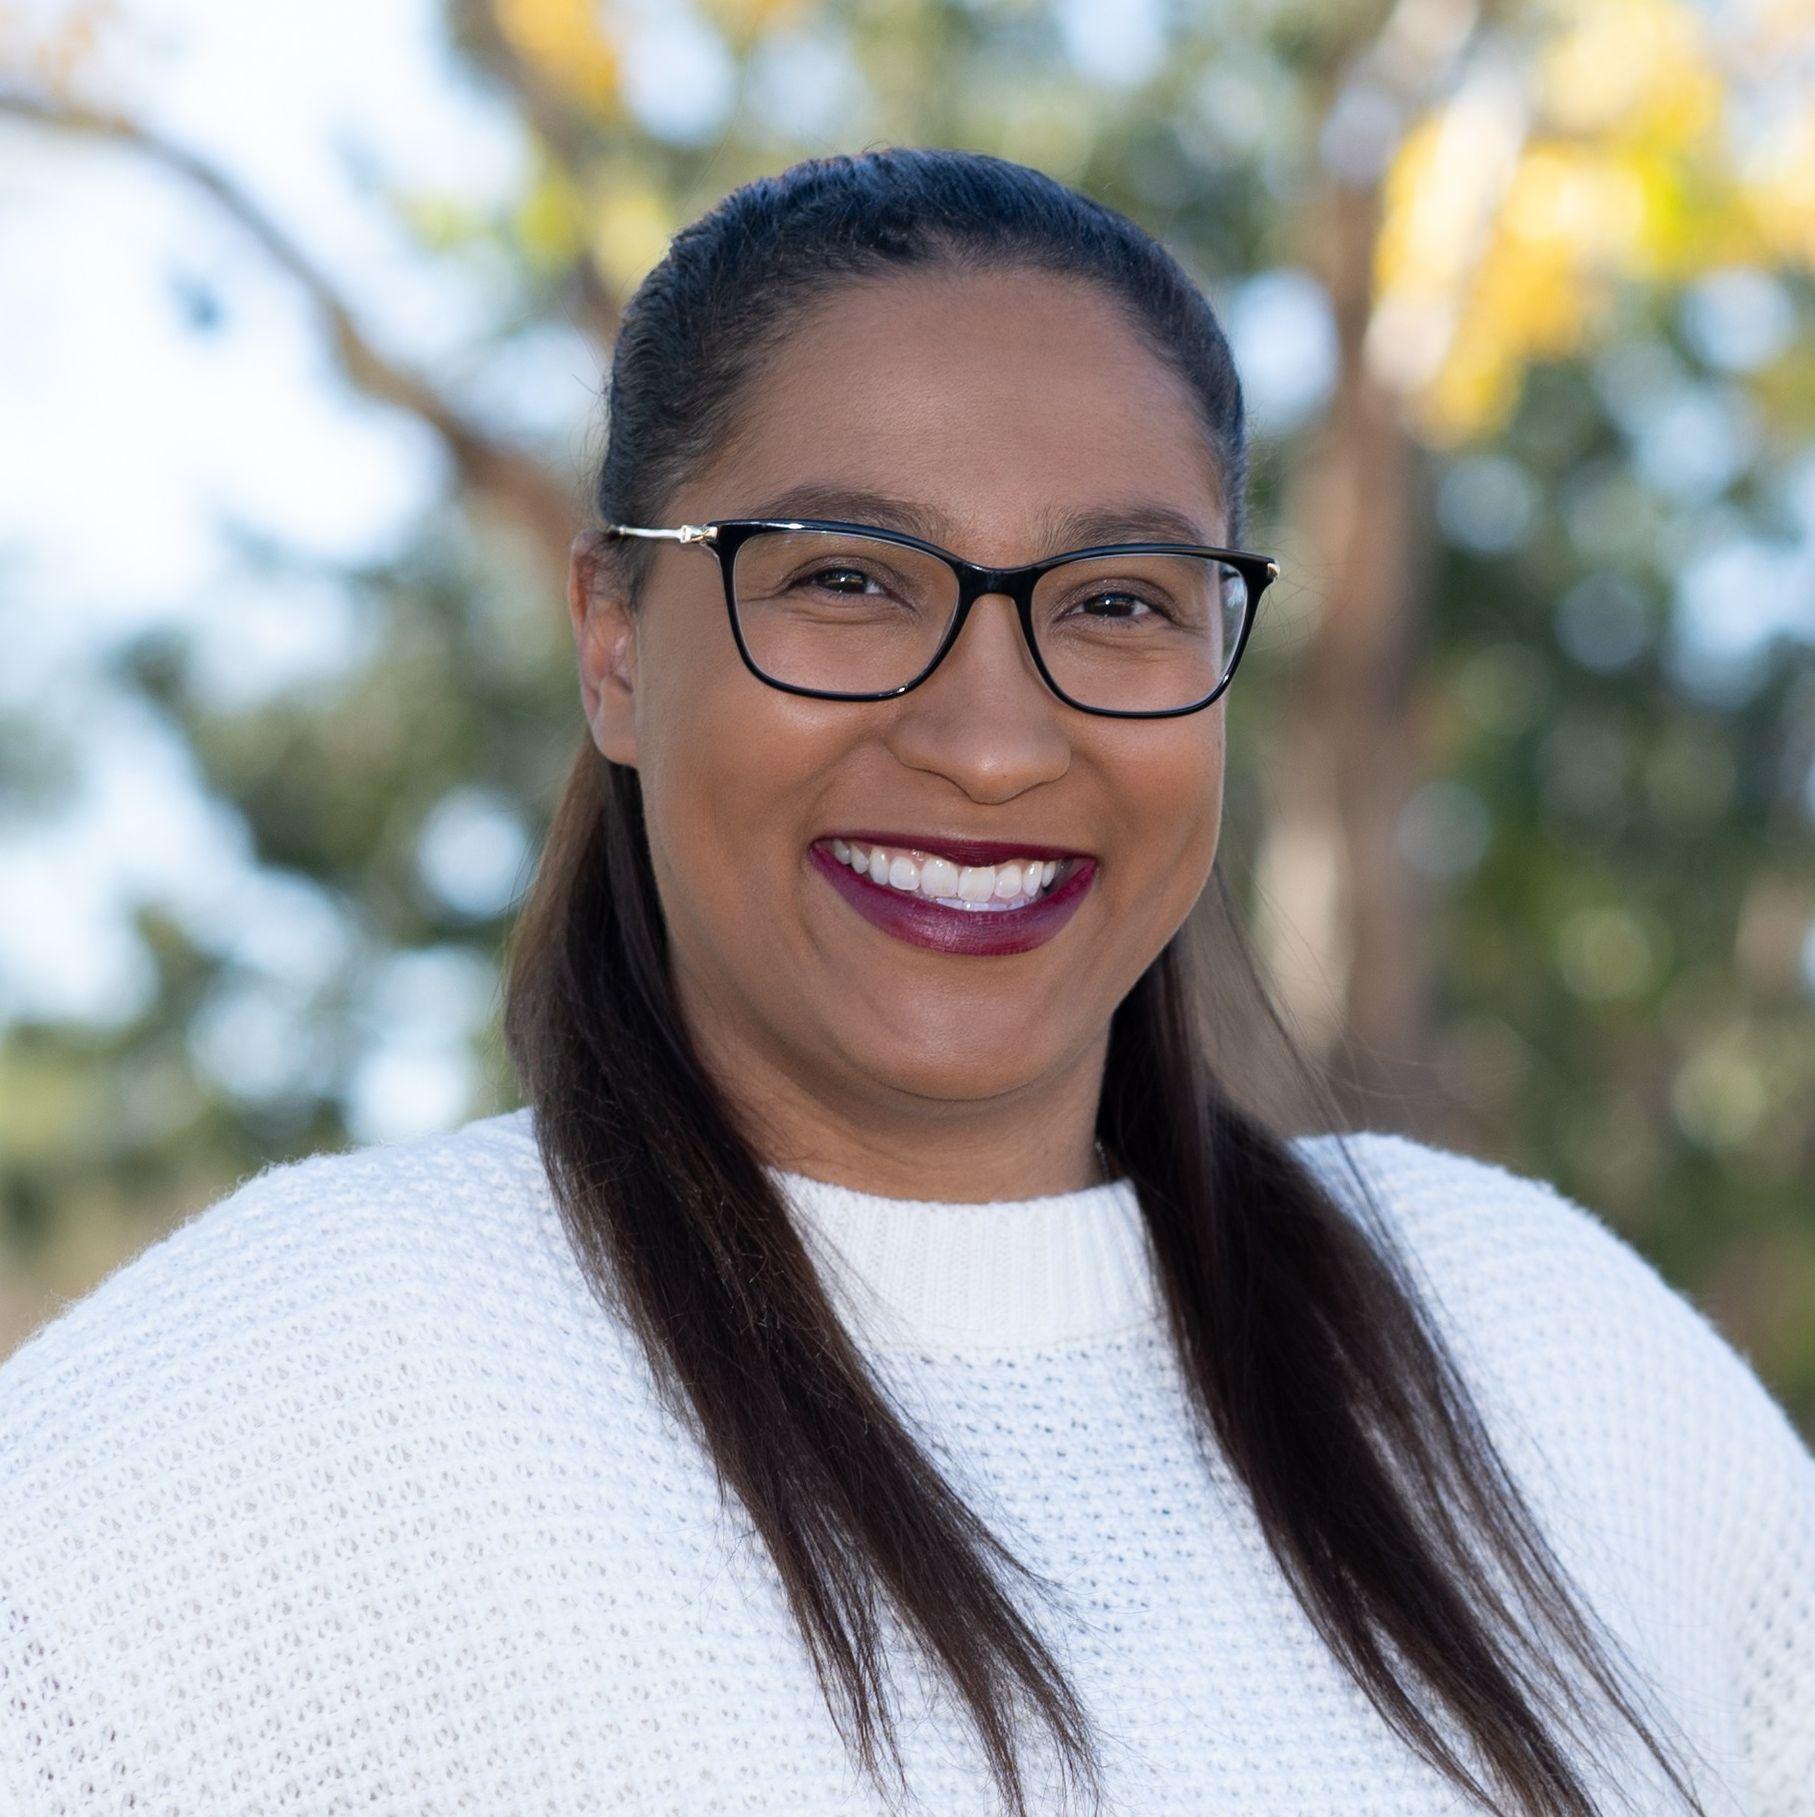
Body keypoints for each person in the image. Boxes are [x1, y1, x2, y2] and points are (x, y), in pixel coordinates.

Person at [0, 146, 1808, 1817]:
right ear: (614, 648)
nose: (993, 741)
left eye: (1117, 599)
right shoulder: (269, 1407)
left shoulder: (1543, 1355)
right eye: (851, 580)